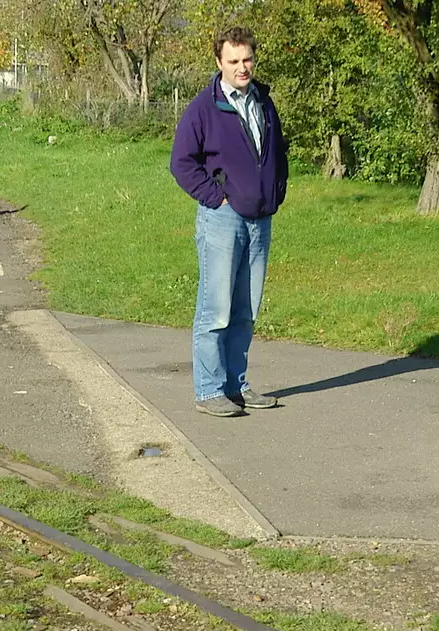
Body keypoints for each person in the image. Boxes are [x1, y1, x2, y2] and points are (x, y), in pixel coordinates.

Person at [169, 26, 289, 418]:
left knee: (245, 309)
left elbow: (277, 152)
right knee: (215, 309)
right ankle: (208, 390)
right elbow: (181, 163)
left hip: (259, 220)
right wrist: (216, 198)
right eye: (234, 61)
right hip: (223, 219)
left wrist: (276, 190)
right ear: (219, 62)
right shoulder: (205, 107)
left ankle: (237, 385)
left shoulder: (262, 102)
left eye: (247, 59)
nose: (242, 67)